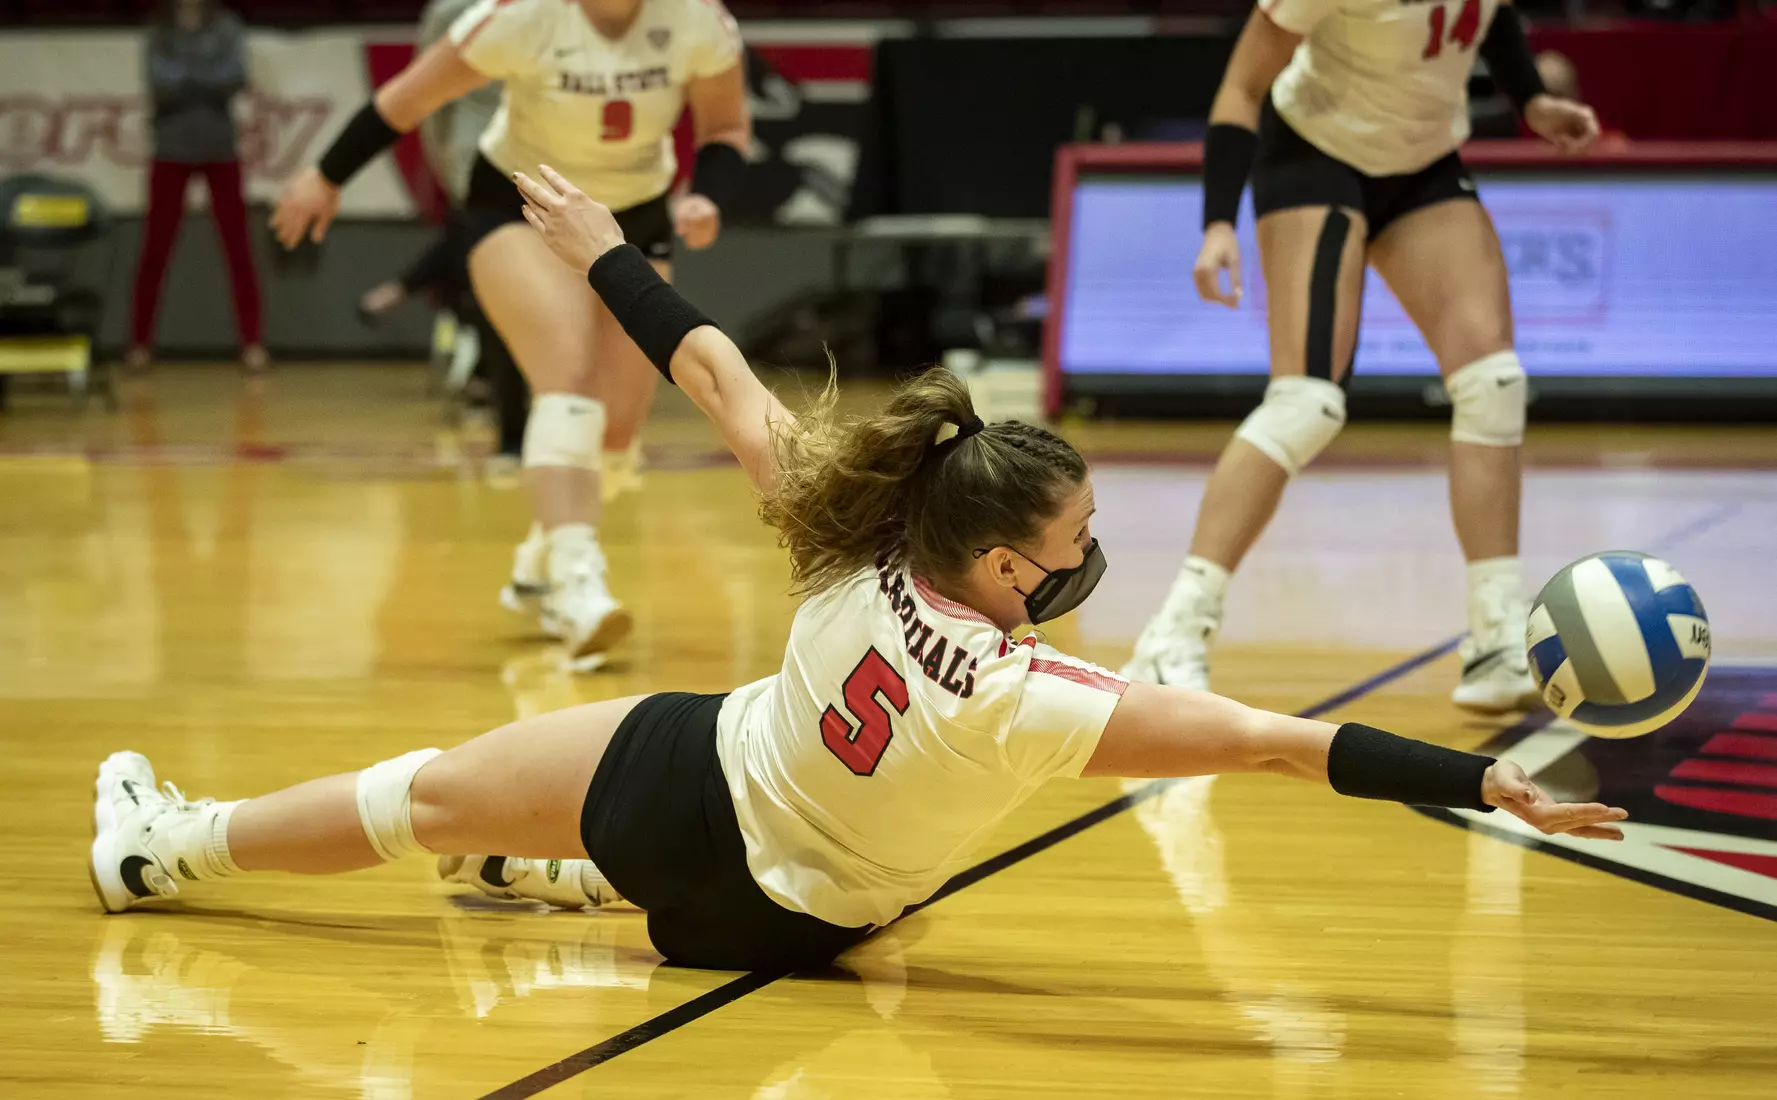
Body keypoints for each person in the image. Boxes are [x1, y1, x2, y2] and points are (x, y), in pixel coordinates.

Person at [88, 167, 1628, 973]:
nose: (1093, 550)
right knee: (864, 866)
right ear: (1009, 567)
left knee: (427, 787)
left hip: (685, 800)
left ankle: (169, 849)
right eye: (1078, 538)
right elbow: (1272, 745)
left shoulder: (855, 539)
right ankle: (551, 864)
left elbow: (709, 370)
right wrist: (1479, 783)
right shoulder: (1038, 697)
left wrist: (597, 245)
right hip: (806, 929)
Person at [1121, 1, 1600, 712]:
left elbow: (1491, 14)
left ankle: (1493, 634)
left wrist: (1531, 99)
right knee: (1305, 403)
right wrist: (1218, 222)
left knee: (1493, 383)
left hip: (1422, 160)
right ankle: (1173, 632)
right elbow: (1241, 85)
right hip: (1316, 153)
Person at [271, 0, 752, 669]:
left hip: (633, 213)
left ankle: (543, 552)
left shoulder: (697, 20)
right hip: (517, 206)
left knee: (616, 432)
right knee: (570, 377)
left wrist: (708, 196)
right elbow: (402, 103)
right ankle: (577, 584)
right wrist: (325, 176)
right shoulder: (522, 16)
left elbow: (725, 128)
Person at [128, 0, 266, 375]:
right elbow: (159, 83)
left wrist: (187, 77)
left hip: (219, 147)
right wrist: (205, 78)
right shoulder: (158, 29)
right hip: (170, 148)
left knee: (238, 247)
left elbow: (235, 77)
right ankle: (140, 343)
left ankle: (252, 343)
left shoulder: (226, 26)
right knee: (154, 248)